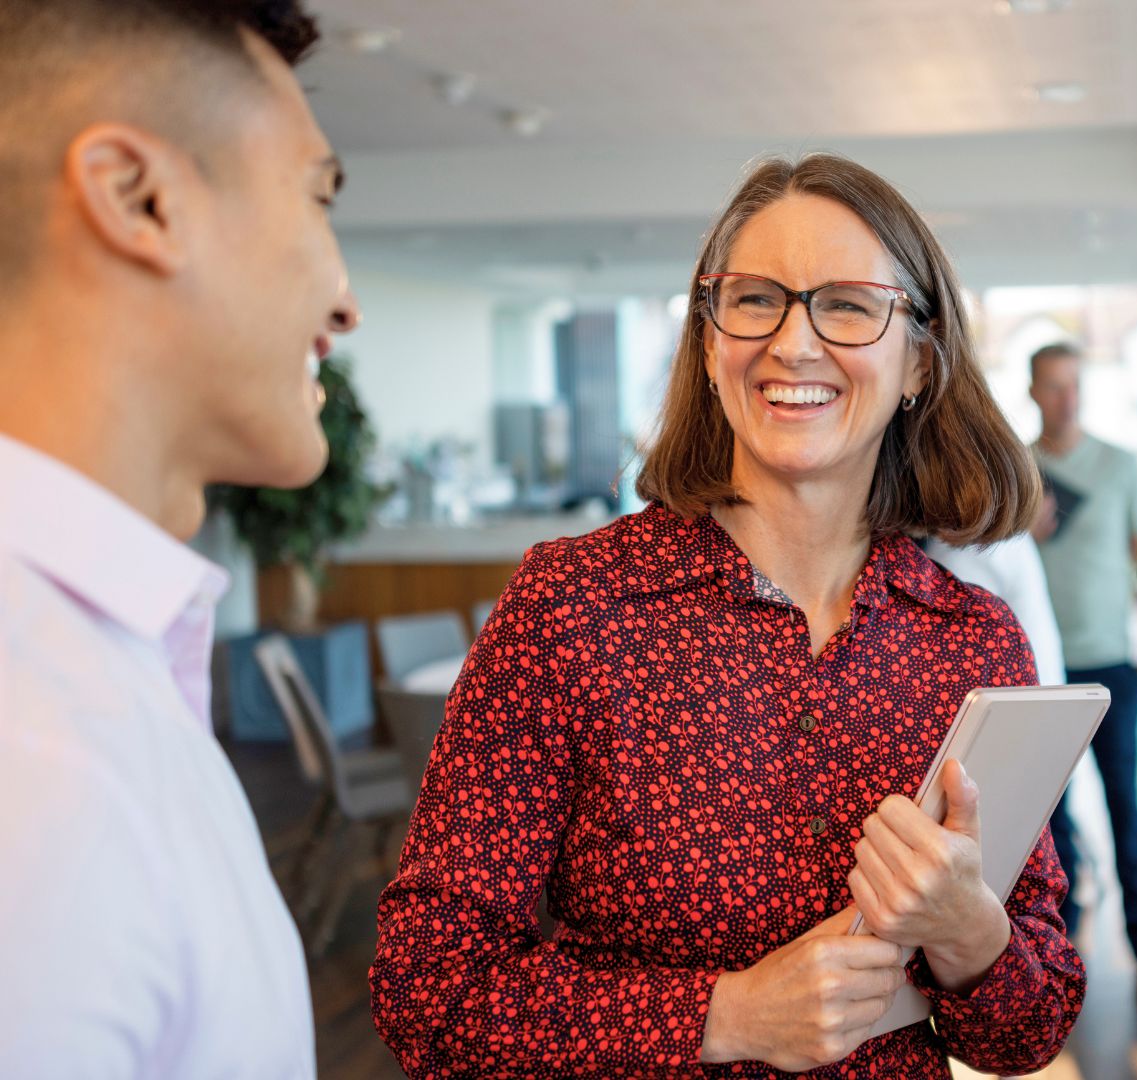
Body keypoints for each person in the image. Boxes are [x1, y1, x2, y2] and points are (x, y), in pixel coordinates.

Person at [370, 153, 1084, 1078]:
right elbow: (428, 989)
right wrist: (725, 1016)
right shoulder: (574, 606)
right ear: (710, 345)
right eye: (755, 300)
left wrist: (969, 931)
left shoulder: (972, 640)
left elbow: (1028, 1035)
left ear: (917, 360)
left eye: (849, 303)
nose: (793, 342)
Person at [0, 1, 358, 1074]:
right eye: (315, 195)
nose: (345, 304)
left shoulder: (98, 671)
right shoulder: (40, 760)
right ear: (138, 198)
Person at [1028, 341, 1137, 1022]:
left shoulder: (1121, 468)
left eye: (1075, 386)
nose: (1067, 399)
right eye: (1054, 387)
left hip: (1108, 666)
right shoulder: (1014, 471)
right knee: (1047, 823)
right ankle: (1060, 963)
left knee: (1126, 811)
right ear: (1033, 392)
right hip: (1035, 675)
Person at [923, 533, 1067, 685]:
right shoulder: (1007, 539)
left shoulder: (970, 550)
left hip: (1021, 697)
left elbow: (949, 652)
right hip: (1039, 690)